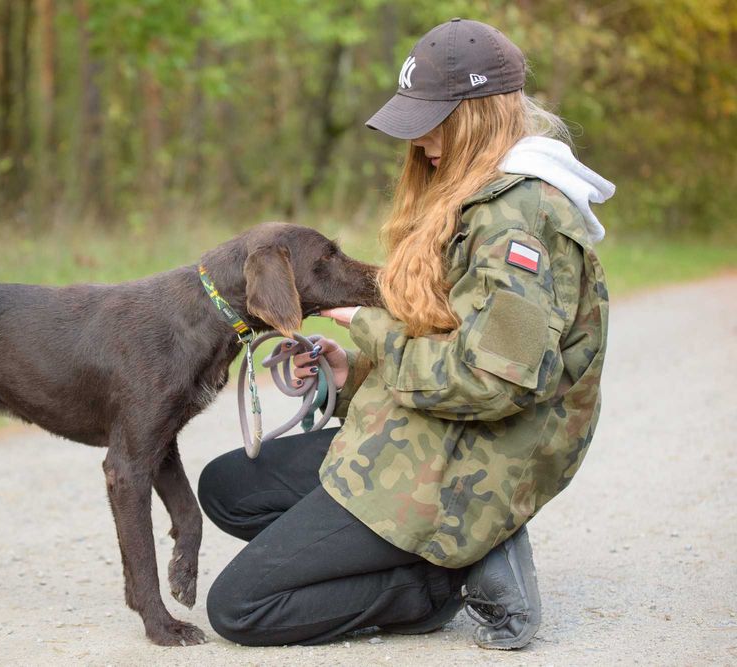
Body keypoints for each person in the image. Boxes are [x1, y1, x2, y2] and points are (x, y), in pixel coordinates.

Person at [197, 18, 614, 650]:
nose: (420, 141)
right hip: (423, 436)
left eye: (434, 122)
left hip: (469, 464)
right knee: (228, 489)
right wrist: (348, 374)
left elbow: (491, 383)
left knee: (241, 608)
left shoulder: (518, 221)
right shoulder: (474, 197)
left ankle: (439, 581)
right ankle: (428, 559)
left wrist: (369, 328)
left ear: (478, 116)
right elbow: (445, 338)